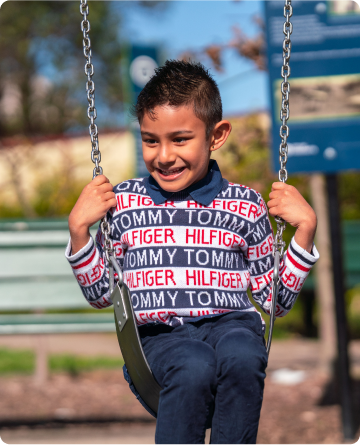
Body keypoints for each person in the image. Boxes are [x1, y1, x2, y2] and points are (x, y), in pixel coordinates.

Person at [66, 60, 319, 445]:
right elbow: (103, 296)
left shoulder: (245, 206)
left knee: (243, 353)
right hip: (159, 340)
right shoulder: (125, 204)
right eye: (151, 140)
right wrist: (80, 231)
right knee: (194, 363)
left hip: (231, 325)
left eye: (180, 139)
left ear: (216, 135)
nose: (164, 156)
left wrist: (304, 231)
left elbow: (275, 303)